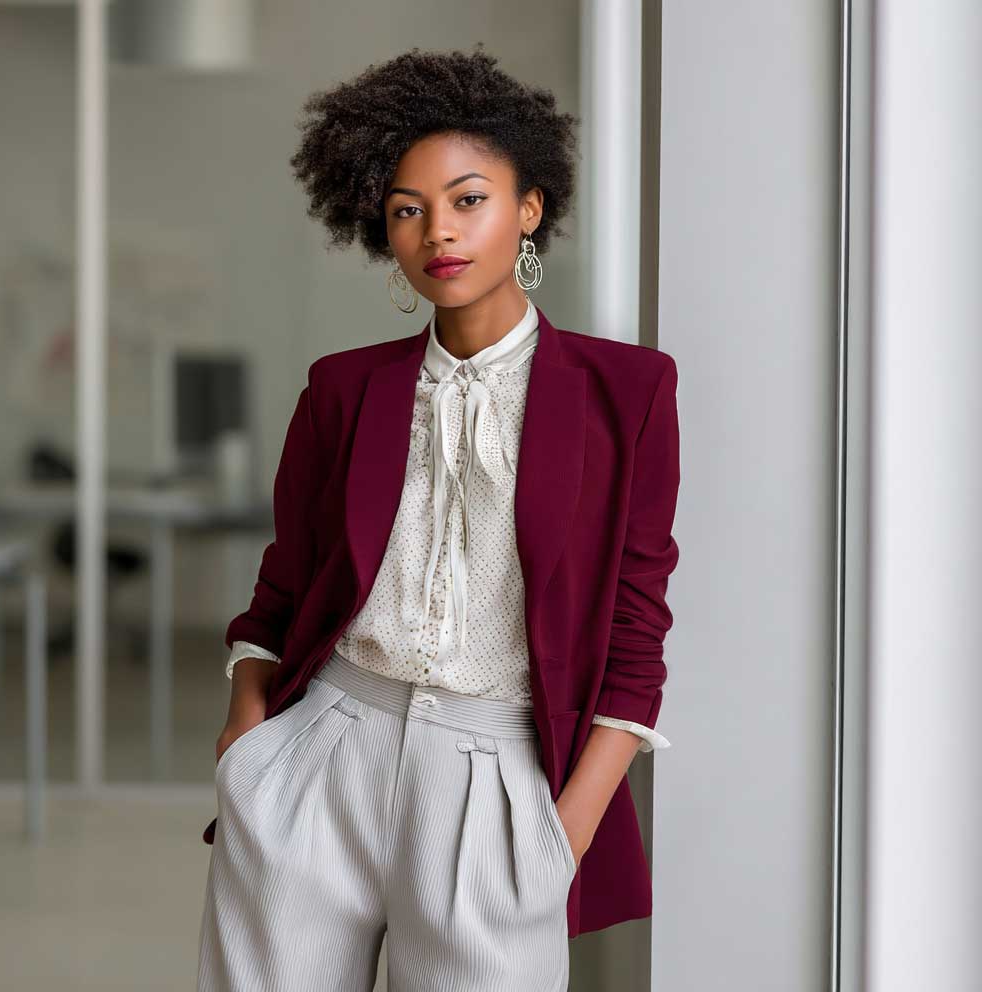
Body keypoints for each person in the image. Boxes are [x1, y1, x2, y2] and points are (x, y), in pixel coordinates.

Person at [196, 44, 681, 991]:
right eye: (407, 210)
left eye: (468, 199)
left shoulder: (627, 394)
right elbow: (282, 588)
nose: (438, 233)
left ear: (529, 207)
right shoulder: (344, 390)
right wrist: (245, 745)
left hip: (497, 777)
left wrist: (560, 835)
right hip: (321, 755)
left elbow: (636, 627)